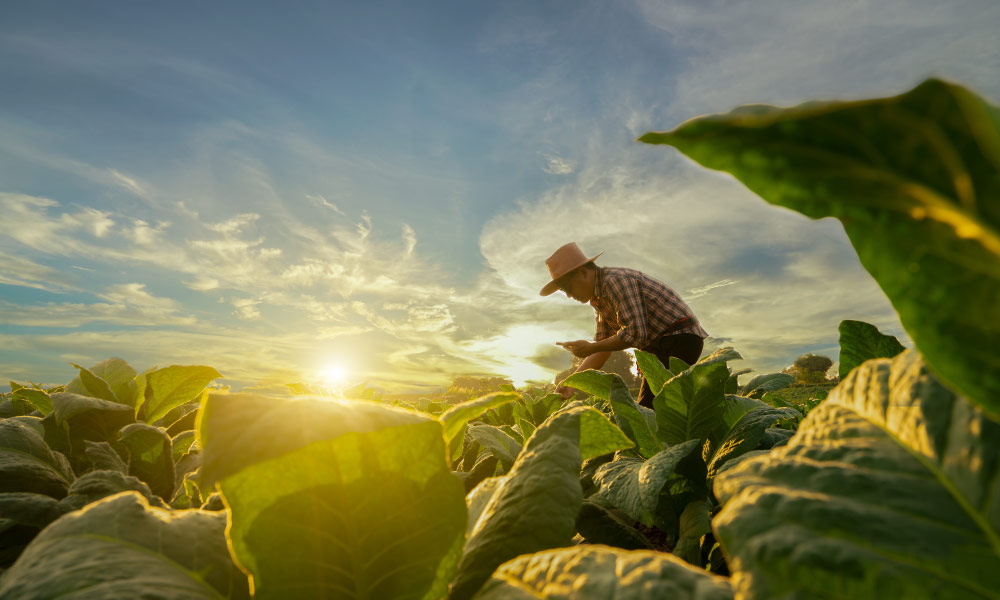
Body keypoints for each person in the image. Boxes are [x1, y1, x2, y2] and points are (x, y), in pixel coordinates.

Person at [540, 242, 708, 409]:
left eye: (568, 288)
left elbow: (635, 334)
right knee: (656, 409)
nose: (569, 295)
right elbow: (602, 348)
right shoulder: (599, 299)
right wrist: (572, 382)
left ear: (583, 273)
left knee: (649, 411)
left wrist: (591, 347)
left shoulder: (615, 281)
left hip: (679, 338)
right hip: (661, 346)